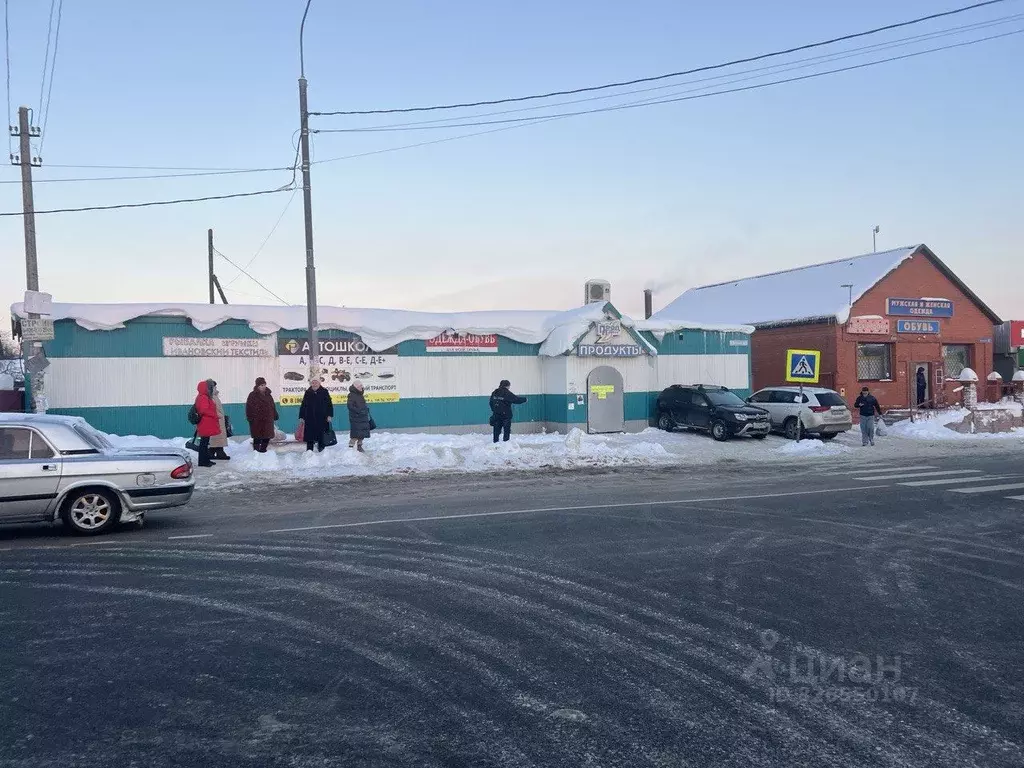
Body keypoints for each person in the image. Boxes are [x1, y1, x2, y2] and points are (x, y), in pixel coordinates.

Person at [299, 377, 333, 452]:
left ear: (319, 383)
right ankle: (309, 451)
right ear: (311, 383)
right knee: (309, 436)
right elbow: (303, 404)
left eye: (316, 382)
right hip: (309, 418)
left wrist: (329, 415)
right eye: (313, 382)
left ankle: (322, 450)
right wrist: (301, 416)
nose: (314, 384)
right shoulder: (308, 392)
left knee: (321, 435)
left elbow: (329, 404)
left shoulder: (324, 391)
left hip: (322, 418)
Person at [245, 377, 278, 453]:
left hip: (268, 419)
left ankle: (263, 450)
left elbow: (272, 405)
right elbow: (248, 407)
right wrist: (250, 417)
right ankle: (256, 452)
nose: (264, 386)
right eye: (261, 385)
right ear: (257, 386)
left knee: (267, 436)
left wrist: (275, 414)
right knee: (257, 437)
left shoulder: (268, 394)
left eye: (264, 385)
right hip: (257, 420)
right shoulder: (252, 395)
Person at [489, 379, 527, 443]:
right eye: (509, 386)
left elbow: (491, 402)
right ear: (507, 386)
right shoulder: (506, 393)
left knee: (496, 430)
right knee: (506, 430)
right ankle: (506, 444)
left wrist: (494, 410)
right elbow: (516, 399)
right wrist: (525, 399)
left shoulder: (495, 392)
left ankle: (495, 443)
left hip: (496, 414)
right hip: (506, 415)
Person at [192, 380, 221, 467]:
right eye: (210, 387)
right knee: (204, 443)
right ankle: (203, 462)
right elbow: (204, 410)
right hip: (205, 423)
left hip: (206, 423)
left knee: (205, 442)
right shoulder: (203, 397)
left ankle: (206, 459)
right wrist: (215, 415)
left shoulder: (203, 396)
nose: (211, 389)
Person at [208, 380, 231, 461]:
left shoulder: (214, 396)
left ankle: (216, 453)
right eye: (214, 386)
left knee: (217, 438)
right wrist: (220, 416)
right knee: (216, 438)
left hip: (218, 420)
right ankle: (218, 453)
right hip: (216, 420)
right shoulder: (210, 397)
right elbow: (211, 410)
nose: (216, 388)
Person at [347, 380, 371, 452]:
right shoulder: (351, 395)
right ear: (356, 387)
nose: (362, 387)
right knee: (355, 434)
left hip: (363, 416)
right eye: (360, 386)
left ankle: (359, 446)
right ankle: (350, 447)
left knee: (362, 433)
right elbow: (350, 406)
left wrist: (365, 410)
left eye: (362, 386)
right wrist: (358, 411)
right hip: (356, 417)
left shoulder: (360, 394)